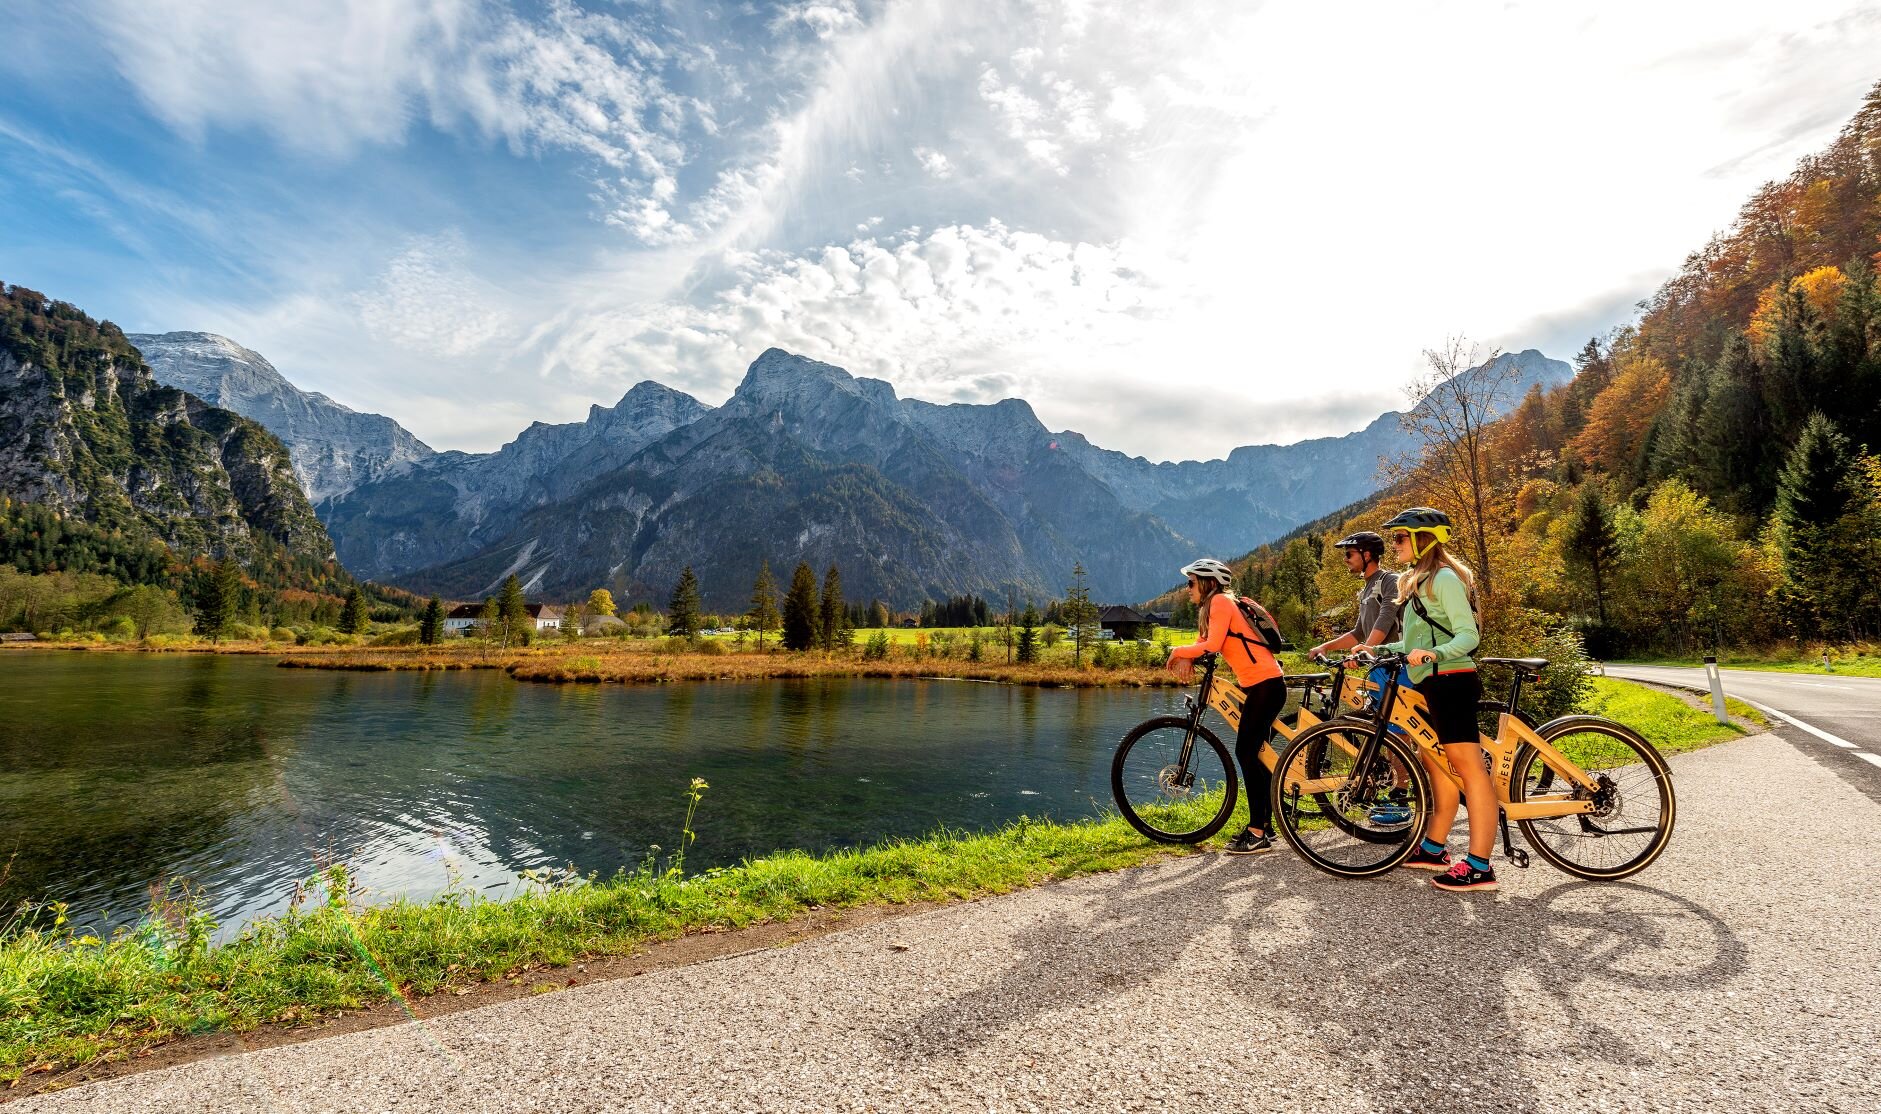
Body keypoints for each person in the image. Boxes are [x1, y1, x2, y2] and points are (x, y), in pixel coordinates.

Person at [1376, 507, 1495, 892]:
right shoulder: (1416, 581)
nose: (1393, 544)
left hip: (1452, 680)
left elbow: (1467, 636)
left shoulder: (1443, 578)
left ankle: (1480, 866)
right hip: (1430, 683)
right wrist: (1374, 650)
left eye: (1399, 538)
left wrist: (1435, 655)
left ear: (1423, 538)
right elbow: (1415, 643)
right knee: (1436, 765)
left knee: (1469, 770)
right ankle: (1433, 848)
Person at [1165, 558, 1287, 855]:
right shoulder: (1211, 608)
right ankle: (1265, 827)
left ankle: (1257, 833)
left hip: (1265, 687)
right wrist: (1189, 656)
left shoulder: (1220, 601)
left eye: (1191, 583)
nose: (1187, 588)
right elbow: (1203, 642)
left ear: (1207, 583)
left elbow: (1212, 645)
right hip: (1261, 686)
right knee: (1257, 756)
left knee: (1246, 752)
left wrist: (1177, 651)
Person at [1309, 530, 1411, 825]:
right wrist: (1326, 646)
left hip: (1397, 666)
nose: (1345, 560)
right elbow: (1358, 631)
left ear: (1368, 554)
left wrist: (1366, 649)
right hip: (1378, 667)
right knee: (1382, 728)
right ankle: (1391, 786)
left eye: (1349, 554)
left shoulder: (1388, 581)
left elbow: (1385, 619)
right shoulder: (1366, 589)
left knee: (1396, 732)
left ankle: (1401, 798)